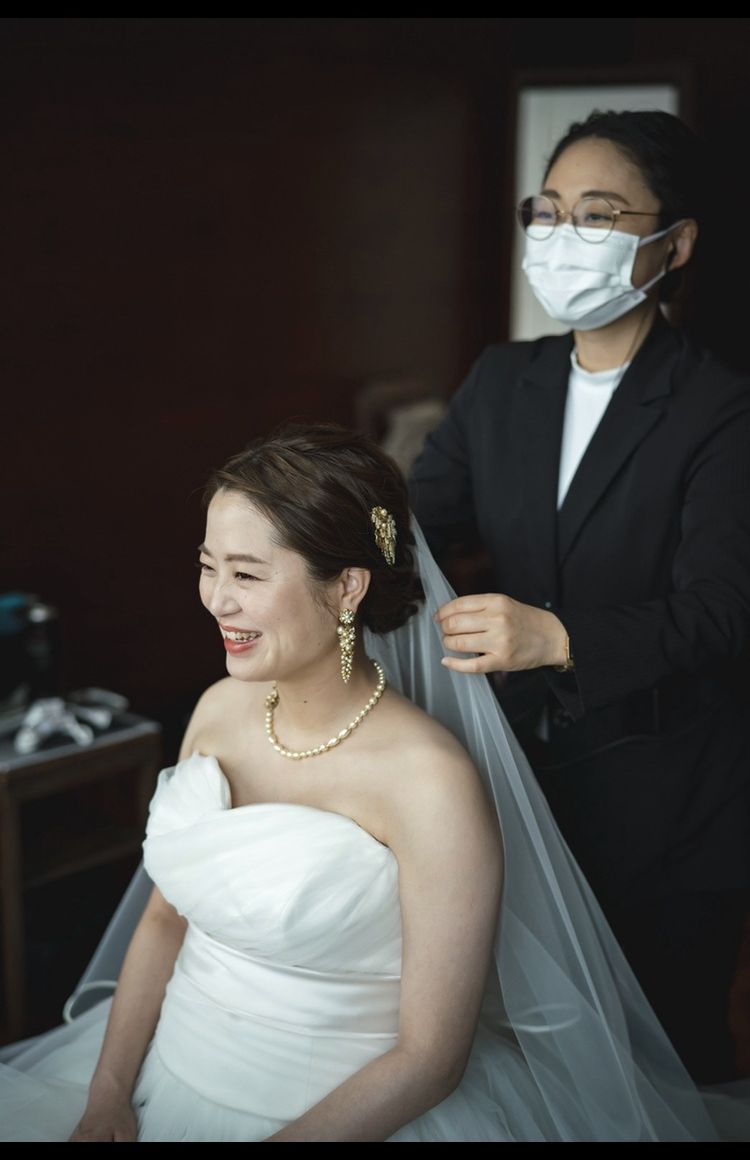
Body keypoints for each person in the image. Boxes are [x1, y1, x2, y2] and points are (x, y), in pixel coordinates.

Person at [1, 422, 750, 1142]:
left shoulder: (431, 783)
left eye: (247, 574)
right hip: (159, 1072)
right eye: (208, 565)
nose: (217, 599)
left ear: (347, 588)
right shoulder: (217, 710)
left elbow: (430, 1058)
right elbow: (166, 919)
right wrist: (108, 1094)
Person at [408, 109, 750, 1087]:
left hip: (673, 797)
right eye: (548, 211)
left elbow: (724, 609)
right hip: (522, 774)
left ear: (675, 244)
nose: (564, 237)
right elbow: (414, 522)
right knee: (539, 1053)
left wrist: (556, 636)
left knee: (666, 1057)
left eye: (598, 215)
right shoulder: (502, 379)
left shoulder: (721, 409)